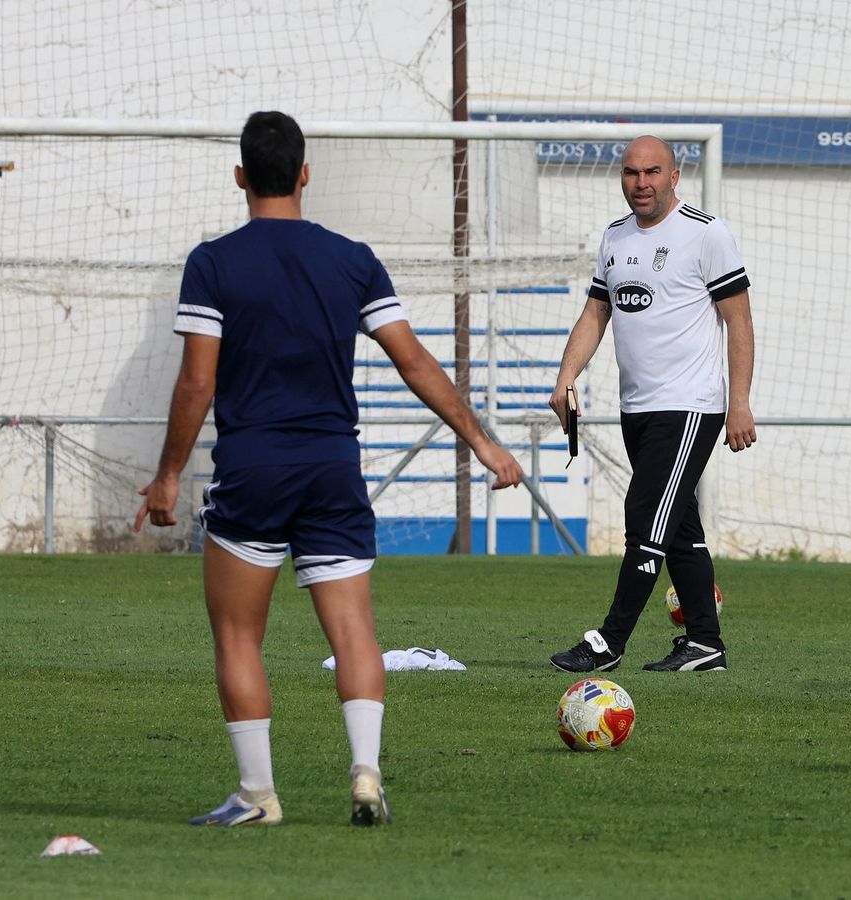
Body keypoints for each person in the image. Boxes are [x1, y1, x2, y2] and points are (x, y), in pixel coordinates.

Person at [135, 111, 523, 826]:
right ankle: (367, 774)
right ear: (305, 174)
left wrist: (166, 478)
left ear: (241, 175)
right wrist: (485, 443)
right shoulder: (352, 258)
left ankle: (258, 796)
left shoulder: (214, 262)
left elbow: (195, 384)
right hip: (332, 468)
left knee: (237, 636)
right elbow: (414, 360)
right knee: (354, 633)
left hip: (253, 468)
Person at [548, 135, 756, 674]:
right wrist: (566, 376)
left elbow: (739, 319)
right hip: (636, 408)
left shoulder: (706, 234)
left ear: (674, 175)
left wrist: (740, 404)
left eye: (652, 172)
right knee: (679, 527)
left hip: (690, 406)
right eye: (631, 173)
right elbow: (596, 314)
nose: (641, 183)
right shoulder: (614, 238)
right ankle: (705, 644)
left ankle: (609, 642)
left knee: (646, 519)